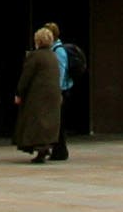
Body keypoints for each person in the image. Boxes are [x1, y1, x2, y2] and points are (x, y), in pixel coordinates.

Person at [12, 24, 62, 162]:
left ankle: (38, 149)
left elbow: (26, 77)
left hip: (37, 96)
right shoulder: (53, 56)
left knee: (36, 121)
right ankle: (44, 147)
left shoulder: (35, 56)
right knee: (47, 122)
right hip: (53, 95)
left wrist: (19, 93)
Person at [48, 23, 78, 160]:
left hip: (62, 91)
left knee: (59, 122)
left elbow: (60, 72)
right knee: (58, 121)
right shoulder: (54, 49)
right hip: (62, 90)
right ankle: (58, 149)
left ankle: (60, 150)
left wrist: (58, 91)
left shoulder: (58, 51)